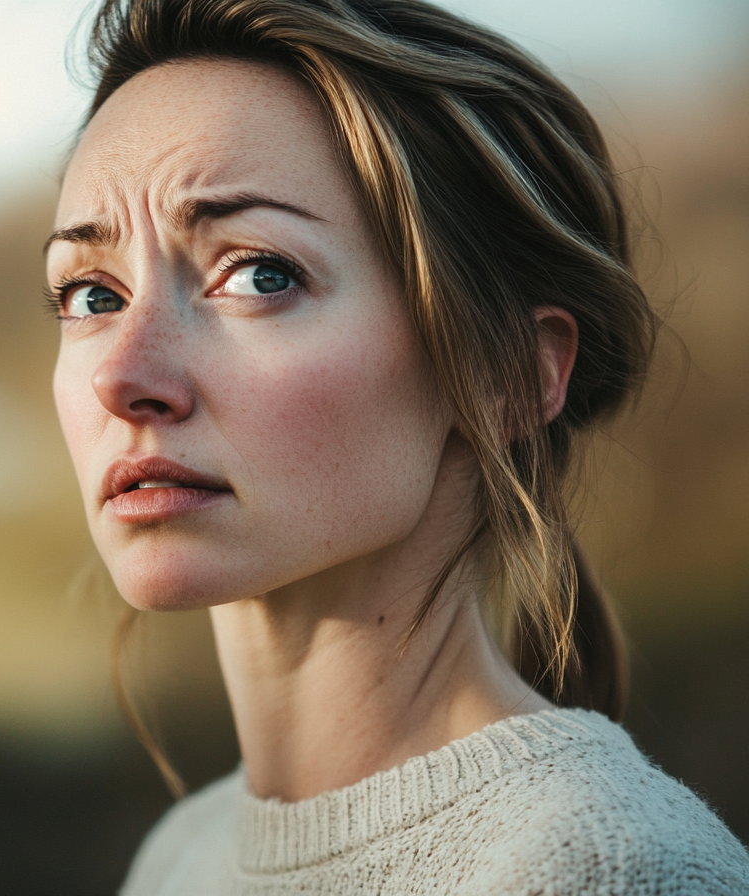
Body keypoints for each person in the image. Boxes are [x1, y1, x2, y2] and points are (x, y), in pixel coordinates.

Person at [43, 0, 749, 892]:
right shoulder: (183, 858)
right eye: (91, 296)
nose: (122, 376)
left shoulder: (604, 867)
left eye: (260, 274)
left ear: (506, 376)